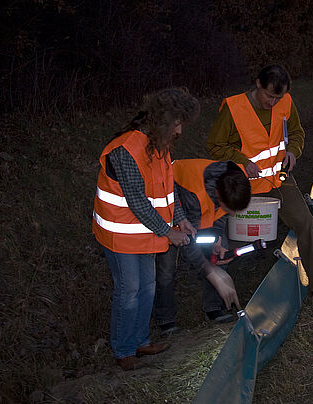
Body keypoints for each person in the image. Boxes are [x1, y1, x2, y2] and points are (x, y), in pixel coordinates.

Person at [206, 64, 313, 302]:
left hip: (280, 180)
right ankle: (214, 302)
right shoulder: (234, 108)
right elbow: (215, 146)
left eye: (278, 97)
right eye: (269, 96)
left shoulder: (286, 101)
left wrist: (294, 152)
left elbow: (296, 132)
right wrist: (241, 161)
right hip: (245, 186)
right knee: (229, 242)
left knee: (306, 223)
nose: (273, 102)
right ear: (258, 84)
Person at [92, 87, 199, 371]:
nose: (179, 130)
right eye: (177, 123)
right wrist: (169, 232)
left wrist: (180, 217)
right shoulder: (126, 149)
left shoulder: (159, 144)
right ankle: (124, 350)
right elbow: (138, 202)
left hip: (145, 233)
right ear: (163, 120)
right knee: (129, 290)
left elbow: (167, 187)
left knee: (148, 287)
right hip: (119, 234)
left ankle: (140, 340)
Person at [154, 159, 251, 335]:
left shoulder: (235, 180)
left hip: (197, 217)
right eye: (229, 209)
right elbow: (190, 241)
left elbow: (221, 214)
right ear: (218, 195)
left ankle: (213, 309)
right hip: (168, 215)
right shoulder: (195, 193)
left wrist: (217, 240)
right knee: (166, 269)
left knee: (221, 254)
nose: (232, 214)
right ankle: (165, 321)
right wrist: (209, 270)